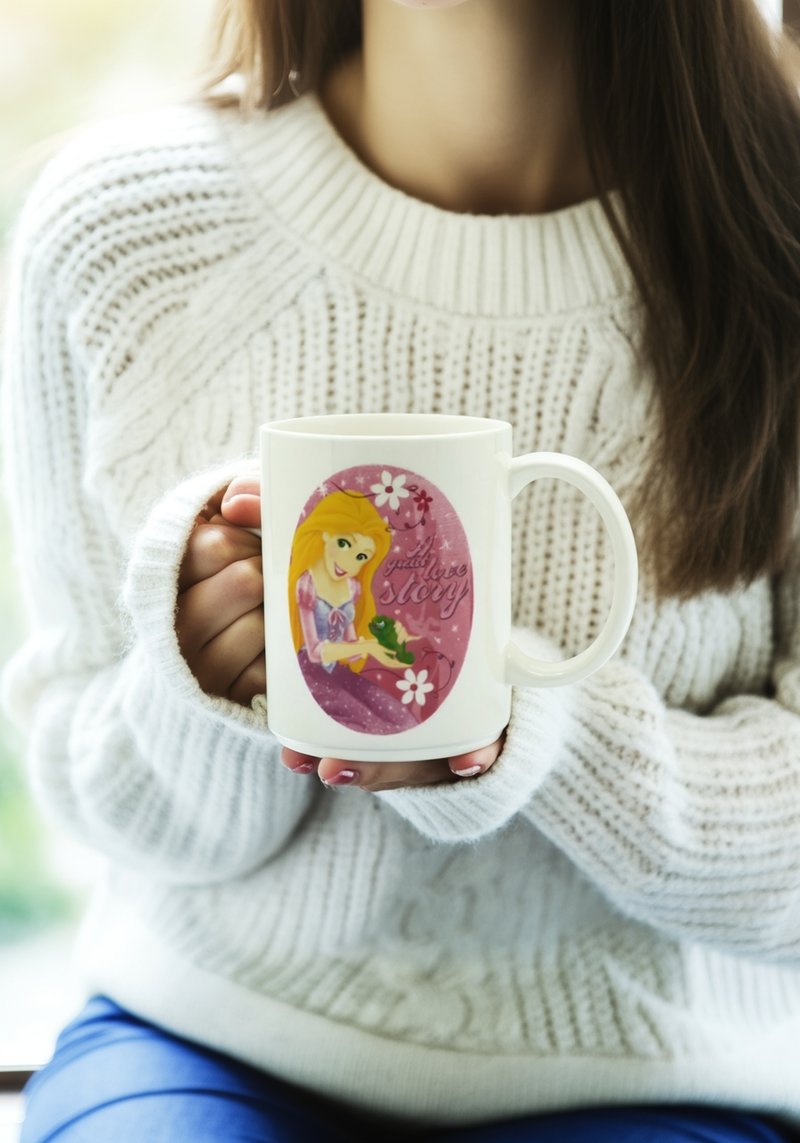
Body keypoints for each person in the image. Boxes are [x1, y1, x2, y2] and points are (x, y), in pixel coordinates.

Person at [4, 0, 800, 1140]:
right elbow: (98, 793)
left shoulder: (774, 239)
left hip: (655, 1075)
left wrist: (546, 737)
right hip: (210, 1038)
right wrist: (206, 676)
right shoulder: (119, 234)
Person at [289, 488, 419, 734]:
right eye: (344, 543)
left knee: (403, 720)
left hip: (339, 670)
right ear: (327, 533)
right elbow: (316, 652)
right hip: (310, 673)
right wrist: (366, 647)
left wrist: (384, 642)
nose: (350, 563)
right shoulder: (306, 585)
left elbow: (350, 651)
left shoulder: (352, 587)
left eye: (361, 556)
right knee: (371, 725)